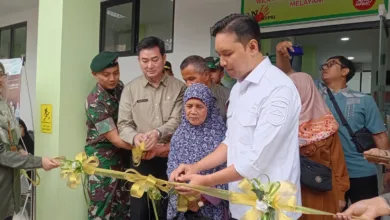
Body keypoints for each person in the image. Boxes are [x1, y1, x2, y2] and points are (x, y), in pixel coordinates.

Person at [170, 14, 302, 219]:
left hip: (271, 209)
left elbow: (256, 160)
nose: (222, 62)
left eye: (228, 53)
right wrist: (196, 167)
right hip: (240, 205)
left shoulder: (278, 89)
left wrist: (206, 181)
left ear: (252, 47)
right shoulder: (239, 89)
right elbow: (231, 142)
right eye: (219, 54)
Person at [276, 41, 390, 211]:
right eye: (324, 65)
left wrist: (388, 168)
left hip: (361, 171)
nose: (324, 68)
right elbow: (290, 74)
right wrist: (281, 54)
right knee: (334, 214)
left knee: (367, 213)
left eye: (331, 64)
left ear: (345, 71)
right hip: (326, 173)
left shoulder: (363, 100)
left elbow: (379, 136)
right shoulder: (314, 91)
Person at [118, 36, 186, 220]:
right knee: (140, 210)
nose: (150, 65)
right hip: (143, 158)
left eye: (154, 60)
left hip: (170, 156)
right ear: (138, 61)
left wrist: (157, 133)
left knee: (167, 208)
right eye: (144, 61)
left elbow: (178, 119)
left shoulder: (179, 88)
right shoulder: (130, 89)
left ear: (164, 58)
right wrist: (135, 138)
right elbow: (123, 124)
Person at [0, 61, 60, 220]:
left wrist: (19, 148)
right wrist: (40, 162)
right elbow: (2, 154)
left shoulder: (4, 105)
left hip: (7, 187)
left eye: (1, 76)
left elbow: (11, 141)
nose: (0, 81)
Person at [289, 72, 350, 219]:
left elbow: (338, 162)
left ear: (307, 91)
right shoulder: (280, 122)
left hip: (321, 192)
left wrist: (341, 194)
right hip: (289, 192)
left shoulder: (326, 126)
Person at [167, 83, 228, 220]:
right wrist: (184, 195)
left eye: (199, 106)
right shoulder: (179, 135)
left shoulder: (221, 137)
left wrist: (202, 197)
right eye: (189, 106)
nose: (193, 111)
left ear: (210, 108)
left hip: (211, 208)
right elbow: (172, 167)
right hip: (183, 205)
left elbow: (227, 172)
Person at [85, 51, 133, 220]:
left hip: (123, 156)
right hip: (103, 159)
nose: (112, 78)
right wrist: (141, 147)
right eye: (106, 75)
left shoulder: (119, 88)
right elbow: (116, 139)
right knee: (101, 208)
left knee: (123, 204)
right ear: (95, 74)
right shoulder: (95, 101)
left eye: (116, 73)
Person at [180, 55, 230, 120]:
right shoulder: (186, 96)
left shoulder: (228, 95)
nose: (188, 84)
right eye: (185, 80)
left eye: (192, 79)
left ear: (206, 75)